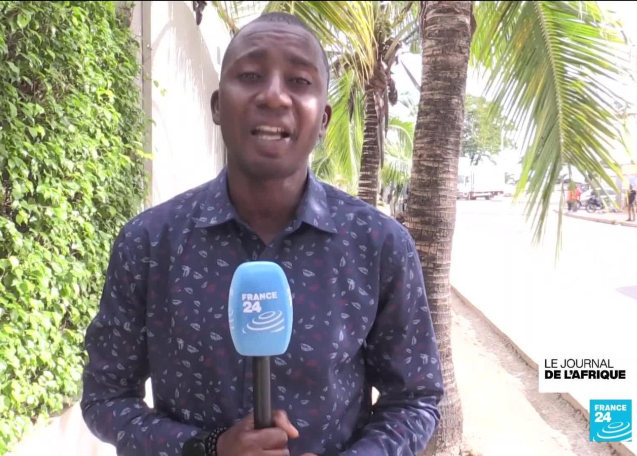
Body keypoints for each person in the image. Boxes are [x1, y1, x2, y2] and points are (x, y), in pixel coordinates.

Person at [80, 12, 443, 456]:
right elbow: (105, 399)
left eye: (300, 81)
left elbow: (415, 398)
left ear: (324, 119)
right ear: (217, 106)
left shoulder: (380, 246)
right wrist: (208, 448)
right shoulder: (149, 244)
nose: (273, 95)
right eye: (251, 75)